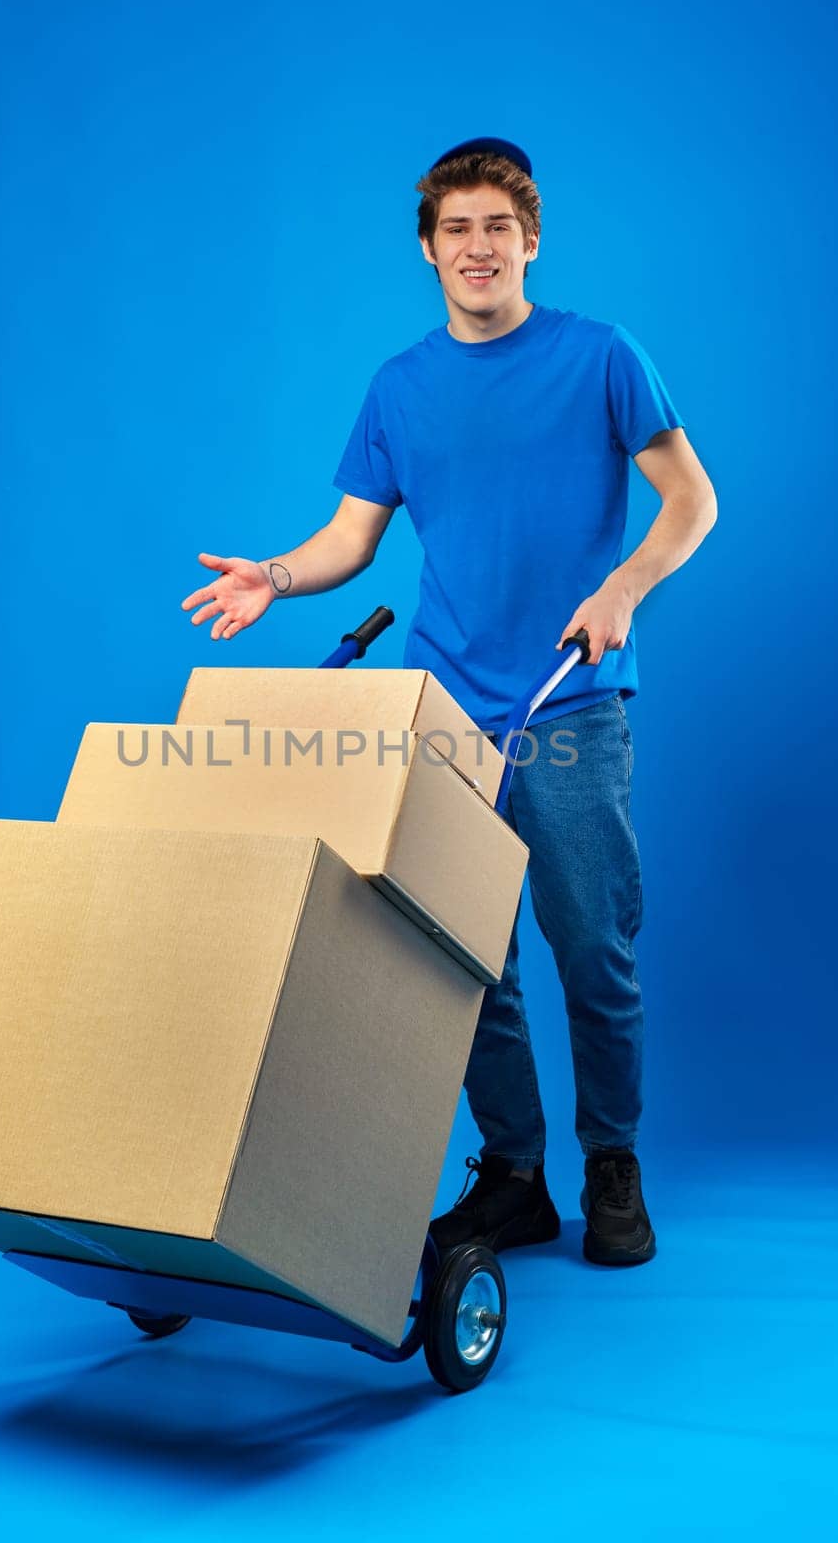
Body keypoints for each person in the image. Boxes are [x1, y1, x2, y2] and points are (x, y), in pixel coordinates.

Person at [180, 137, 717, 1268]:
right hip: (442, 715)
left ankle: (610, 1162)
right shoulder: (399, 387)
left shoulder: (602, 357)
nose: (478, 248)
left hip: (569, 706)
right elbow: (349, 537)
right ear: (428, 250)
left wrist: (621, 586)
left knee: (592, 950)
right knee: (464, 957)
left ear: (530, 241)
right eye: (456, 230)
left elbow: (689, 500)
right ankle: (514, 1173)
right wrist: (270, 577)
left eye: (497, 229)